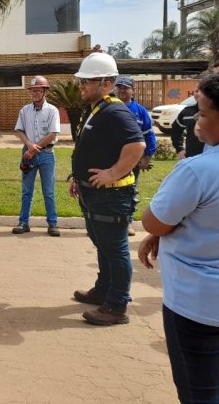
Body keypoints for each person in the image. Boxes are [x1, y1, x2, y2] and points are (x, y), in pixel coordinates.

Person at [138, 71, 219, 403]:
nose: (196, 121)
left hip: (200, 305)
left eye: (203, 113)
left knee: (200, 395)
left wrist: (160, 232)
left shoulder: (197, 170)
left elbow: (154, 222)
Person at [68, 51, 145, 326]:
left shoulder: (115, 110)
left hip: (112, 195)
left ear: (106, 84)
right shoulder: (97, 109)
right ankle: (104, 290)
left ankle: (117, 305)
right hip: (94, 193)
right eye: (82, 81)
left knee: (115, 249)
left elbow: (137, 146)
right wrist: (79, 178)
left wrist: (113, 173)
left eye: (88, 81)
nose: (82, 86)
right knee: (102, 244)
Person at [12, 76, 61, 236]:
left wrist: (34, 148)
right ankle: (23, 222)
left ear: (45, 91)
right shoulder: (24, 110)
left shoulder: (52, 110)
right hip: (28, 153)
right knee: (27, 191)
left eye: (39, 90)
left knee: (49, 191)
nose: (35, 93)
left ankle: (53, 224)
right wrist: (29, 145)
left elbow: (53, 134)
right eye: (33, 90)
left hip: (46, 154)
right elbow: (19, 130)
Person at [113, 76, 157, 236]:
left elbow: (149, 134)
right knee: (108, 190)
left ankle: (127, 222)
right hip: (110, 159)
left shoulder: (140, 111)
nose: (122, 91)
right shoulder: (108, 107)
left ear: (132, 90)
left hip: (132, 160)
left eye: (126, 88)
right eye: (120, 87)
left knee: (130, 190)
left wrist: (147, 156)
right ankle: (108, 222)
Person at [171, 75, 204, 159]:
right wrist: (179, 149)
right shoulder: (187, 111)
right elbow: (176, 130)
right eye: (196, 90)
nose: (198, 93)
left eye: (202, 90)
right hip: (191, 158)